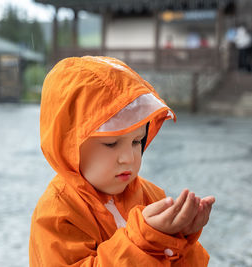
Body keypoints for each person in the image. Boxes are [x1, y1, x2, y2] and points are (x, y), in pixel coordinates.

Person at [29, 56, 215, 266]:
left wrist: (181, 238)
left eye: (137, 141)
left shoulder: (151, 195)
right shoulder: (58, 213)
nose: (129, 157)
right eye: (111, 143)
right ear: (69, 144)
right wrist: (145, 240)